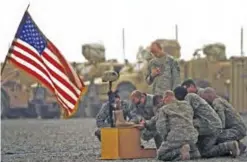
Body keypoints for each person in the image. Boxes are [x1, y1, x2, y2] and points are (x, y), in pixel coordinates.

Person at [174, 86, 241, 158]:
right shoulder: (192, 96)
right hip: (212, 125)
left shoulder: (189, 98)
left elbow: (186, 117)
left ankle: (191, 150)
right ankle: (230, 145)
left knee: (188, 126)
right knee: (205, 150)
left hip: (209, 125)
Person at [155, 90, 199, 161]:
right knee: (188, 145)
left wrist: (166, 138)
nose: (163, 101)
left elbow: (161, 127)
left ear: (166, 97)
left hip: (176, 137)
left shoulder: (164, 109)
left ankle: (180, 152)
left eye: (163, 99)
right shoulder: (187, 104)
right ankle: (194, 153)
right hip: (192, 136)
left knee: (161, 155)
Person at [200, 87, 247, 154]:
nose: (205, 101)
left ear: (209, 96)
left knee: (214, 138)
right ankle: (239, 145)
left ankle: (235, 145)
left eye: (205, 99)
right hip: (239, 129)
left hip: (236, 130)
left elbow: (221, 123)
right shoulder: (221, 100)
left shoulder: (216, 103)